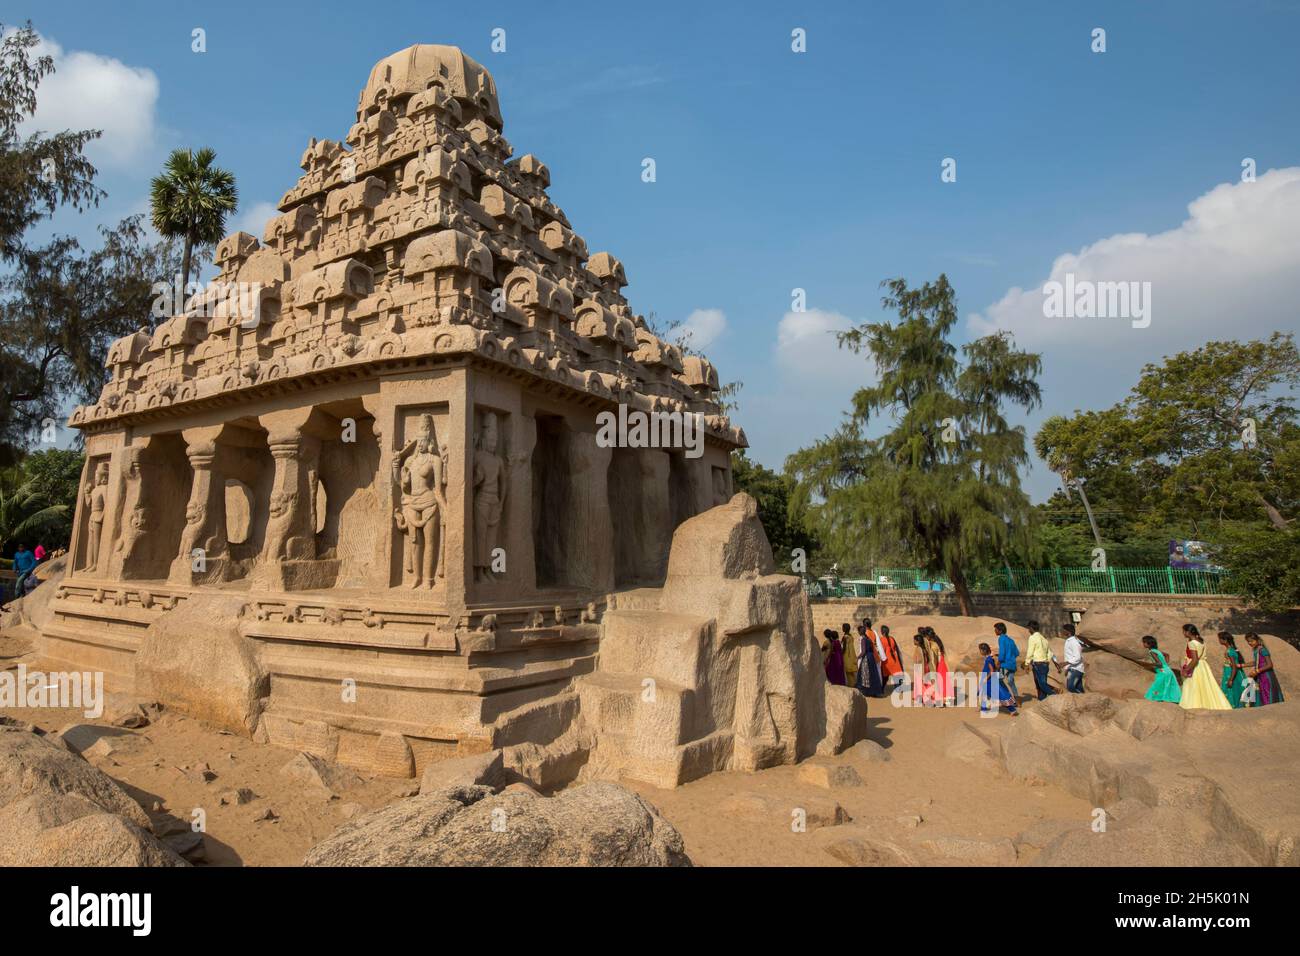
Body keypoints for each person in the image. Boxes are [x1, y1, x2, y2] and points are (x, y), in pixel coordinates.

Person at [1178, 624, 1232, 710]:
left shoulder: (1192, 643)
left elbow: (1195, 659)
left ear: (1188, 632)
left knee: (1193, 686)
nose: (1183, 633)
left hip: (1195, 666)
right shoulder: (1201, 641)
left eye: (1184, 631)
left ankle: (1192, 706)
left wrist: (1186, 669)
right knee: (1206, 686)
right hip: (1203, 666)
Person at [977, 642, 1018, 715]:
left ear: (983, 651)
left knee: (999, 694)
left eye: (980, 650)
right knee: (984, 692)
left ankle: (1012, 709)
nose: (980, 652)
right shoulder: (989, 658)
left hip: (989, 680)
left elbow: (992, 670)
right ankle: (983, 708)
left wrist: (986, 678)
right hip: (989, 679)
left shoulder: (989, 659)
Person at [1244, 632, 1284, 706]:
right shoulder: (1256, 650)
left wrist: (1257, 670)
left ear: (1257, 640)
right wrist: (1243, 665)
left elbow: (1270, 664)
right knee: (1261, 692)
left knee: (1267, 692)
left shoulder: (1262, 650)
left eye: (1252, 641)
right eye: (1248, 641)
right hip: (1260, 675)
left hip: (1266, 676)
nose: (1250, 643)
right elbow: (1257, 662)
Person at [1023, 620, 1059, 700]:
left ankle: (1054, 696)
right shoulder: (1044, 639)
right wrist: (1047, 660)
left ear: (1031, 628)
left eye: (1029, 628)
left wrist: (1026, 663)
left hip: (1038, 664)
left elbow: (1030, 651)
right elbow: (1050, 652)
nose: (1028, 630)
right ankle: (1042, 700)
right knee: (1041, 683)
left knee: (1042, 684)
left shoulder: (1032, 638)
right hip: (1045, 664)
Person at [1142, 635, 1182, 703]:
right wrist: (1165, 664)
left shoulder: (1151, 652)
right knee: (1170, 686)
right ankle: (1173, 700)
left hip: (1162, 671)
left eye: (1144, 642)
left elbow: (1159, 663)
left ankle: (1155, 699)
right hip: (1168, 670)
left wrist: (1149, 665)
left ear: (1148, 644)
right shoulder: (1157, 651)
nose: (1143, 644)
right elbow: (1167, 655)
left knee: (1157, 685)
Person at [1218, 631, 1247, 708]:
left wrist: (1231, 679)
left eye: (1220, 639)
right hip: (1230, 673)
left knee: (1233, 690)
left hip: (1231, 674)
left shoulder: (1229, 651)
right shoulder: (1231, 649)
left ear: (1225, 640)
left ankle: (1234, 706)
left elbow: (1234, 666)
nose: (1219, 641)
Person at [994, 622, 1020, 703]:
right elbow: (1017, 653)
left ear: (1000, 631)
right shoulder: (1011, 640)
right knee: (1010, 682)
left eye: (996, 629)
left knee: (997, 680)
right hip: (1012, 664)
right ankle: (1017, 700)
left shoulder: (1001, 638)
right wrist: (1010, 657)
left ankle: (1008, 698)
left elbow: (1002, 652)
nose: (995, 631)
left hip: (1004, 665)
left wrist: (999, 662)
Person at [855, 622, 883, 697]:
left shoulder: (863, 639)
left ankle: (866, 691)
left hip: (866, 658)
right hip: (871, 657)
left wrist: (857, 657)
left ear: (860, 632)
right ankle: (874, 691)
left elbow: (863, 651)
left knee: (864, 675)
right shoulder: (868, 639)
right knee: (872, 674)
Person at [876, 623, 904, 688]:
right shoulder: (892, 638)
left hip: (887, 660)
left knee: (884, 676)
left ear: (882, 632)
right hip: (895, 659)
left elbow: (881, 650)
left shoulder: (882, 639)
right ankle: (899, 688)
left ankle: (881, 688)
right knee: (896, 674)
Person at [1062, 623, 1085, 694]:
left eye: (1064, 630)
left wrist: (1066, 663)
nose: (1062, 632)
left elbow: (1077, 657)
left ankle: (1082, 699)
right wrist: (1066, 668)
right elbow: (1068, 656)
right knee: (1079, 688)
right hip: (1072, 668)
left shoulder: (1074, 642)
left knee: (1070, 687)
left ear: (1068, 632)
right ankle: (1084, 701)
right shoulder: (1068, 641)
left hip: (1076, 669)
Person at [840, 622, 858, 691]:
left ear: (845, 629)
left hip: (847, 655)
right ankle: (853, 683)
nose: (842, 628)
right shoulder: (850, 636)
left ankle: (851, 684)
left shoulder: (845, 637)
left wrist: (841, 654)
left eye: (843, 627)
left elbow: (843, 648)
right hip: (852, 654)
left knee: (847, 670)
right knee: (851, 670)